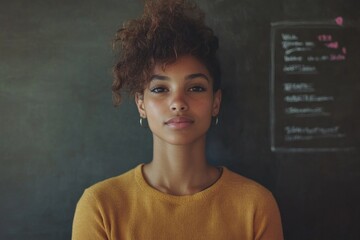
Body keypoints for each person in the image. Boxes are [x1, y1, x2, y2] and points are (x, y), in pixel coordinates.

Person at [72, 0, 283, 239]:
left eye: (195, 88)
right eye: (160, 89)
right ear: (141, 104)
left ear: (216, 102)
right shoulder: (101, 206)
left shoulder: (255, 205)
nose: (178, 102)